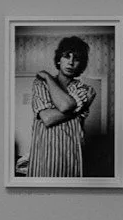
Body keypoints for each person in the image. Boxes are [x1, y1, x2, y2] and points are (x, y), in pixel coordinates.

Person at [26, 35, 95, 178]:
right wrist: (81, 108)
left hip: (71, 158)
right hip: (43, 158)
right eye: (66, 56)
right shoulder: (40, 84)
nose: (71, 62)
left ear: (81, 64)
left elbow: (65, 106)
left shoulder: (83, 89)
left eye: (76, 58)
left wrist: (47, 76)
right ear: (59, 59)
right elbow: (47, 118)